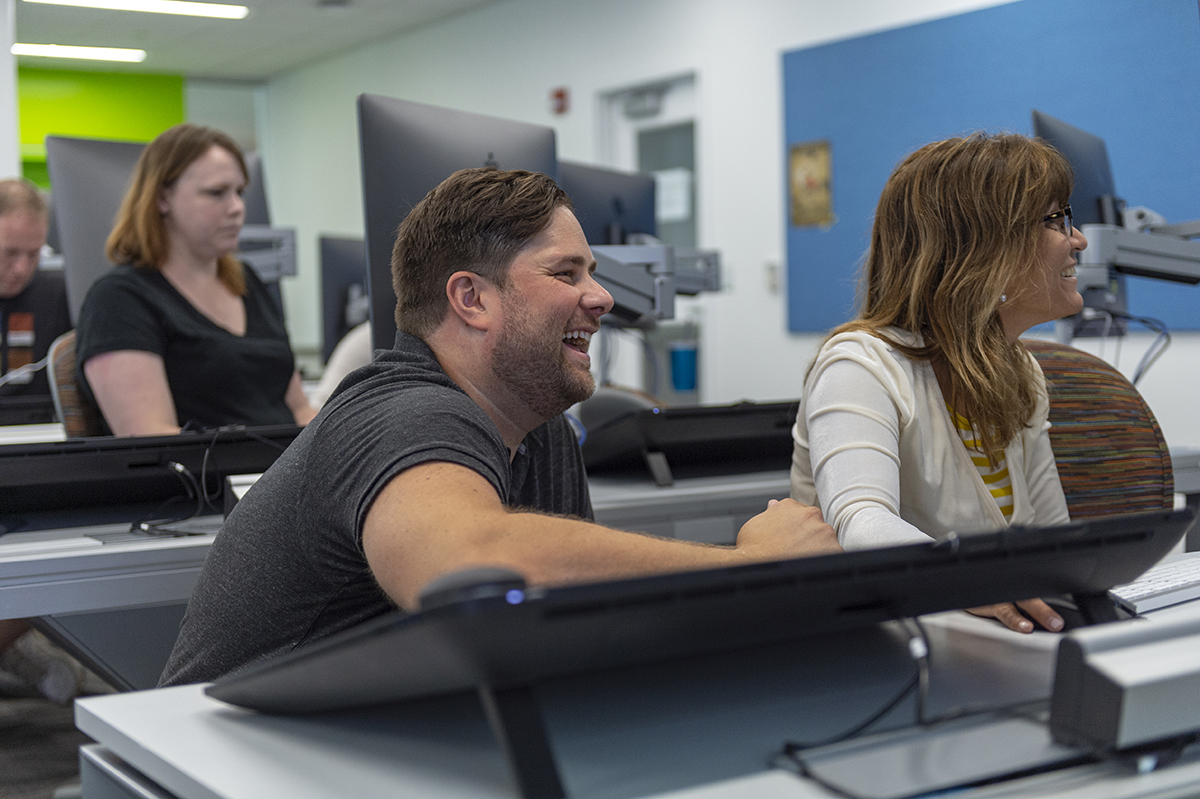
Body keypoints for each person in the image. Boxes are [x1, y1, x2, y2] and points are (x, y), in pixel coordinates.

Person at [159, 167, 841, 686]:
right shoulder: (404, 412)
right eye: (566, 272)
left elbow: (564, 636)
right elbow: (467, 570)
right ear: (471, 298)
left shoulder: (538, 428)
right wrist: (753, 569)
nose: (602, 297)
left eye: (592, 273)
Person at [791, 133, 1087, 634]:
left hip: (980, 642)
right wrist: (977, 580)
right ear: (985, 248)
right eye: (1056, 220)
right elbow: (861, 521)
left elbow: (1049, 542)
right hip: (873, 646)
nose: (1077, 239)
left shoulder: (1021, 372)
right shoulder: (861, 365)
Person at [74, 124, 316, 436]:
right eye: (216, 193)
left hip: (282, 472)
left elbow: (299, 408)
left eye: (239, 192)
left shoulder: (248, 282)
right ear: (162, 199)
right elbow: (151, 437)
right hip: (207, 480)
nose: (237, 208)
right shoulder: (118, 300)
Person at [0, 178, 71, 421]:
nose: (21, 268)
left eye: (33, 254)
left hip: (41, 433)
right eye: (10, 253)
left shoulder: (62, 297)